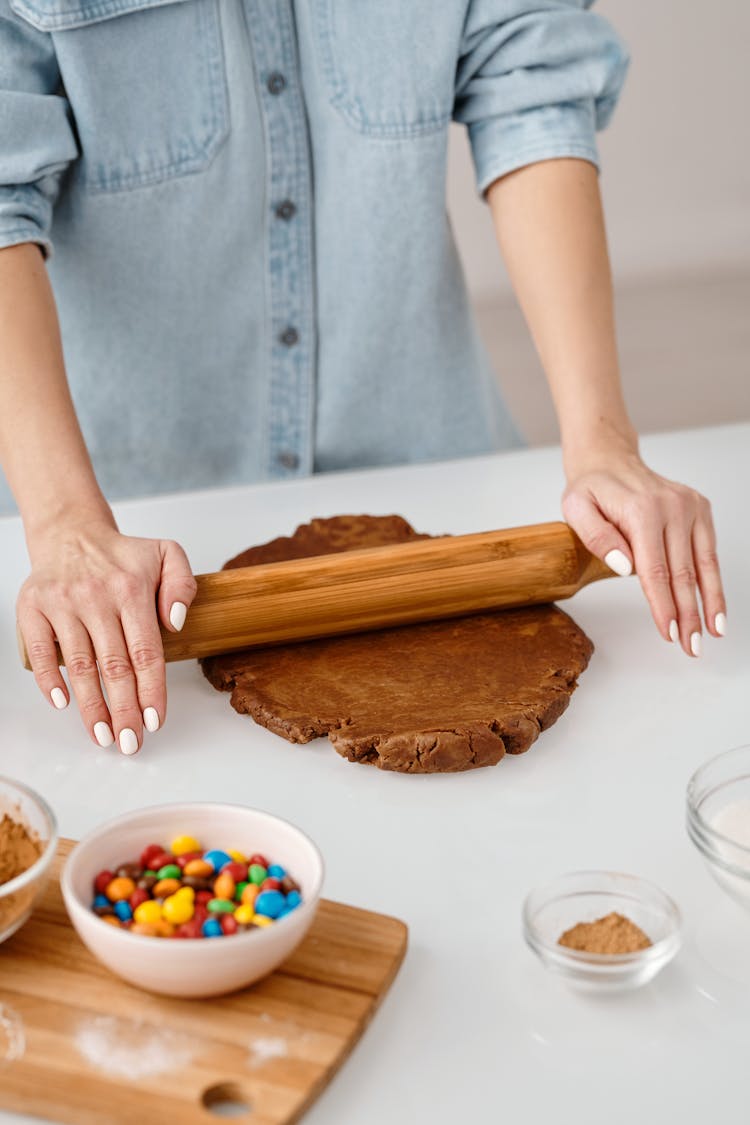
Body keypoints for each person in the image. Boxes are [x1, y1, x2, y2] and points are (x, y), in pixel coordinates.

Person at [0, 0, 725, 757]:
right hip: (131, 525)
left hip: (434, 464)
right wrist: (65, 523)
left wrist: (603, 442)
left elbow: (530, 86)